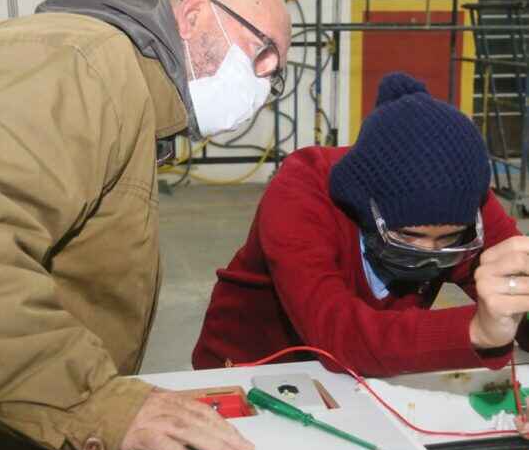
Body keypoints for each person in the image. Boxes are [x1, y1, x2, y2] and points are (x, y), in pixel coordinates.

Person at [0, 0, 291, 450]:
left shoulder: (121, 87)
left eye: (278, 73)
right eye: (262, 51)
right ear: (197, 13)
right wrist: (97, 403)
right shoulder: (84, 67)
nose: (266, 81)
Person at [192, 72, 529, 377]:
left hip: (373, 370)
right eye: (409, 236)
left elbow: (519, 289)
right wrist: (477, 331)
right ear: (365, 206)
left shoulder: (464, 197)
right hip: (250, 368)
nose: (430, 254)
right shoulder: (302, 191)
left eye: (449, 239)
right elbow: (335, 332)